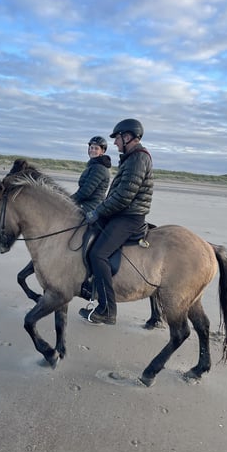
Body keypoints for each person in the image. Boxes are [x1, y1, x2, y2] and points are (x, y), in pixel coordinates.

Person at [16, 136, 112, 301]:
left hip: (91, 208)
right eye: (91, 147)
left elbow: (86, 193)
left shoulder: (99, 169)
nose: (92, 150)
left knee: (77, 238)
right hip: (84, 205)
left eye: (96, 148)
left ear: (102, 151)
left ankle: (86, 277)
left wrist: (63, 202)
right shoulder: (93, 166)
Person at [79, 118, 153, 325]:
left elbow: (123, 196)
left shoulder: (138, 158)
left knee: (98, 253)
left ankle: (107, 310)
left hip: (129, 217)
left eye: (117, 138)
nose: (115, 143)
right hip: (122, 213)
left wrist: (97, 212)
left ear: (127, 137)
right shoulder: (131, 157)